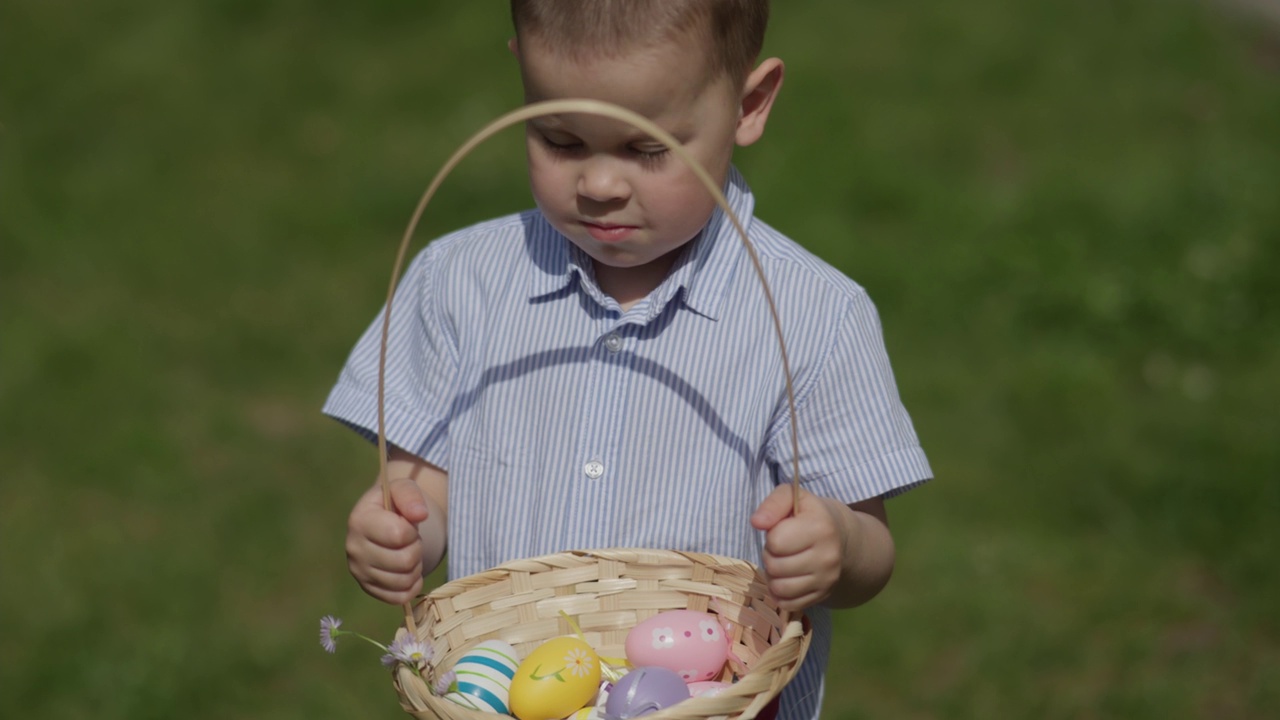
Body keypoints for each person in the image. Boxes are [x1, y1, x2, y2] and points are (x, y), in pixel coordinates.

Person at [324, 1, 933, 717]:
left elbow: (870, 559)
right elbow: (424, 490)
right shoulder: (459, 282)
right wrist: (401, 535)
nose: (601, 185)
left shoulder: (814, 316)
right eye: (560, 139)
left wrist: (836, 545)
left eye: (647, 149)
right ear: (522, 73)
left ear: (750, 104)